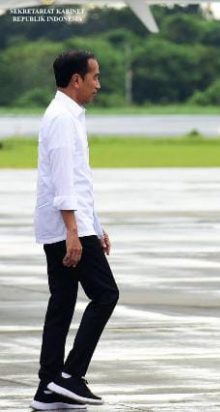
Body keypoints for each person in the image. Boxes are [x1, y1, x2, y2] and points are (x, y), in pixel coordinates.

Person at [31, 50, 119, 411]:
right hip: (68, 227)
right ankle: (71, 376)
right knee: (106, 295)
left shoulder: (66, 115)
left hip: (70, 225)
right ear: (76, 80)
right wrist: (75, 231)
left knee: (63, 303)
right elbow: (64, 182)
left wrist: (96, 226)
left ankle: (48, 389)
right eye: (94, 77)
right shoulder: (63, 119)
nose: (99, 84)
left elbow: (78, 182)